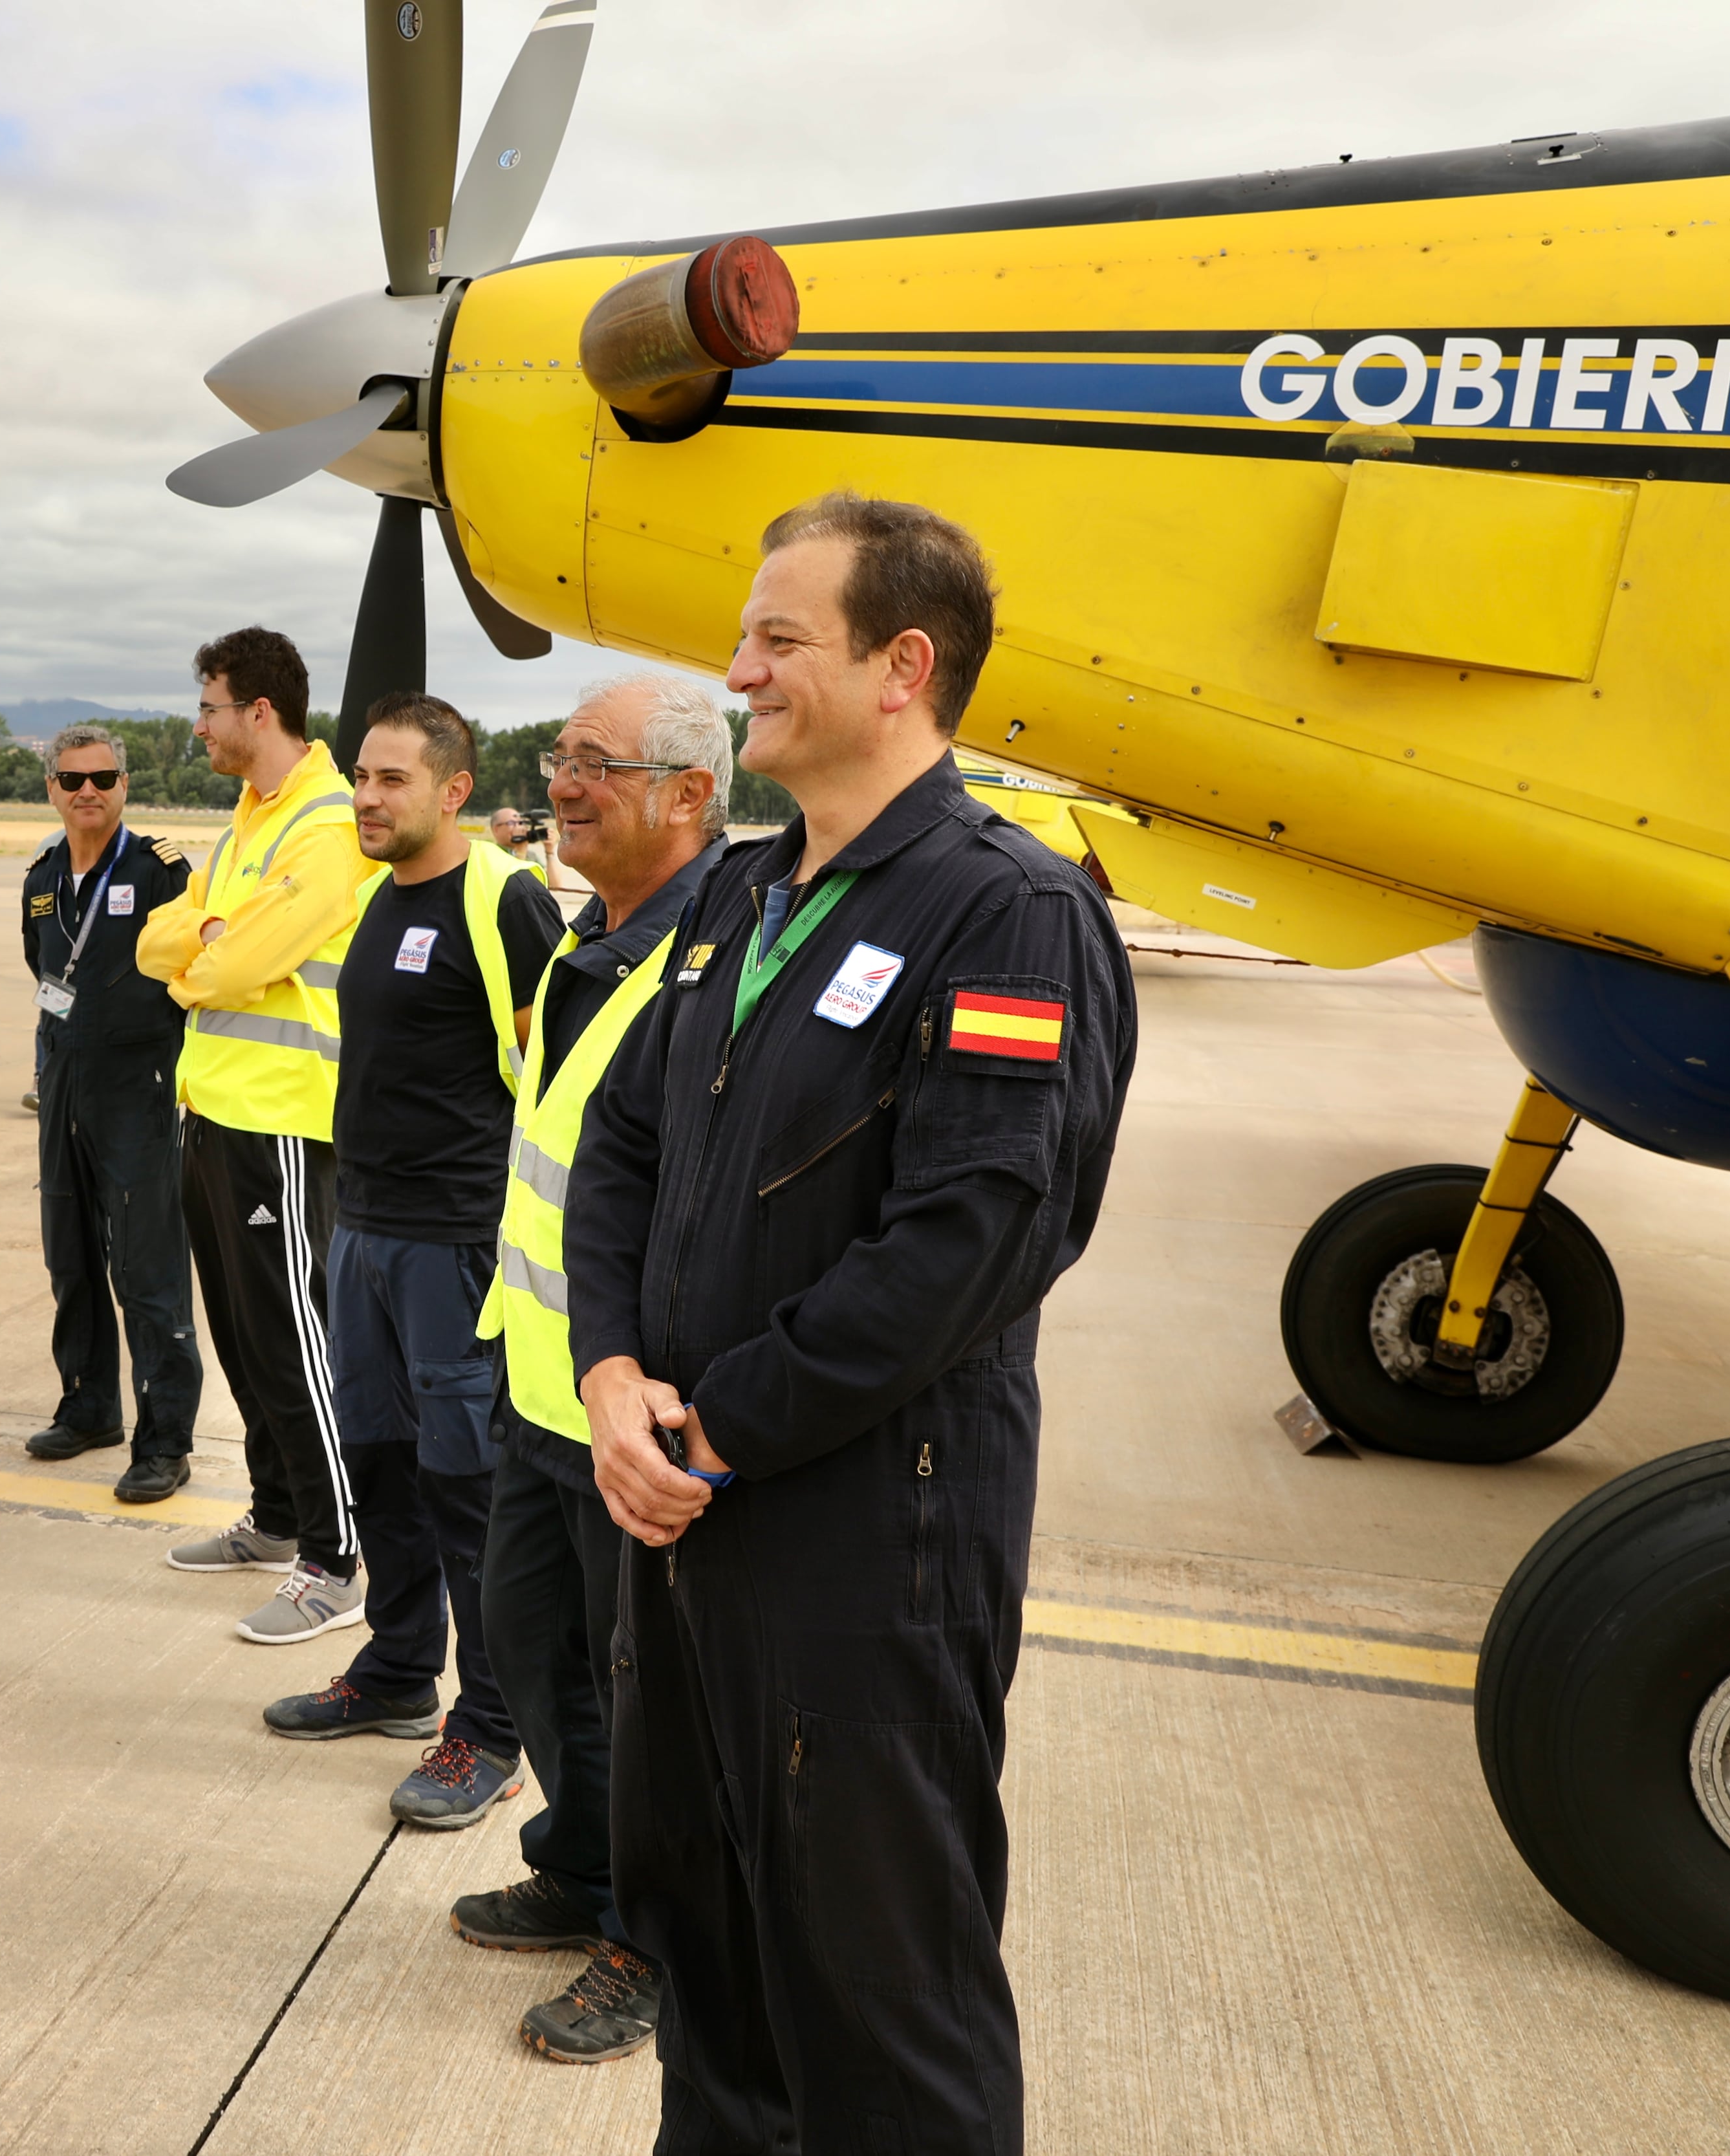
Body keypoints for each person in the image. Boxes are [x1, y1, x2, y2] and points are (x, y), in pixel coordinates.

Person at [567, 494, 1137, 2153]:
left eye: (775, 640)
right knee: (711, 1959)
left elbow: (973, 1235)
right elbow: (622, 1145)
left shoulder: (1005, 911)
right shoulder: (743, 900)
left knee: (882, 2001)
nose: (735, 670)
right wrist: (610, 1373)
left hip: (863, 1547)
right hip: (679, 1519)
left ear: (903, 666)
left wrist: (717, 1429)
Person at [448, 672, 733, 2067]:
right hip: (541, 1375)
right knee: (529, 1644)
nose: (561, 784)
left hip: (632, 1403)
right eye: (557, 756)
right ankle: (579, 1860)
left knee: (648, 1698)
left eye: (594, 764)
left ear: (688, 795)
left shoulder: (718, 956)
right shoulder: (589, 941)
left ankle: (657, 1937)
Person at [259, 693, 560, 1831]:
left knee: (466, 1485)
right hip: (366, 1227)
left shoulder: (504, 900)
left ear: (452, 791)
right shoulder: (379, 902)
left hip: (455, 1240)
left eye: (391, 779)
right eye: (361, 779)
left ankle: (489, 1723)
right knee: (381, 1462)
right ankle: (394, 1670)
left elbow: (553, 1078)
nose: (367, 798)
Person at [138, 627, 373, 1642]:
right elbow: (164, 937)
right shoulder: (247, 822)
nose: (200, 726)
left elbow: (234, 967)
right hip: (213, 1105)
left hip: (282, 1111)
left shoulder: (324, 825)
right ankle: (276, 1516)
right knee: (242, 1333)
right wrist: (207, 942)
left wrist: (208, 950)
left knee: (293, 1339)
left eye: (209, 707)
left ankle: (338, 1555)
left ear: (260, 713)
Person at [17, 726, 204, 1501]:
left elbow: (193, 969)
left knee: (146, 1266)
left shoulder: (162, 873)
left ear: (124, 785)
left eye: (101, 778)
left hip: (140, 1086)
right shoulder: (40, 878)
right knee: (70, 1255)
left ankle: (164, 1440)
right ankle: (88, 1404)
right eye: (70, 779)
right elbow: (39, 968)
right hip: (63, 1080)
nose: (86, 792)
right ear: (52, 790)